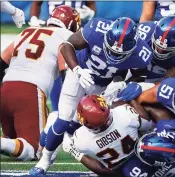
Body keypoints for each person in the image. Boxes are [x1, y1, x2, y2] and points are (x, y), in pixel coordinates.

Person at [30, 17, 153, 175]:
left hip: (103, 85)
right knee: (63, 121)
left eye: (119, 53)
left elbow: (138, 76)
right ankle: (45, 161)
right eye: (111, 49)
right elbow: (66, 45)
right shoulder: (96, 28)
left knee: (85, 122)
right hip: (80, 75)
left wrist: (122, 83)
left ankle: (53, 125)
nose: (113, 55)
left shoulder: (141, 53)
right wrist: (76, 69)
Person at [0, 5, 80, 161]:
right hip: (30, 90)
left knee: (13, 140)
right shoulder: (66, 35)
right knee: (34, 150)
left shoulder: (27, 31)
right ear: (71, 24)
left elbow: (2, 61)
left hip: (5, 88)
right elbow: (65, 70)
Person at [62, 95, 175, 177]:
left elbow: (102, 170)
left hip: (127, 167)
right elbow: (147, 124)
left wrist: (75, 152)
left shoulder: (81, 140)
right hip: (155, 147)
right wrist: (128, 98)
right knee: (146, 107)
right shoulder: (124, 115)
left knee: (124, 171)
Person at [29, 1, 96, 113]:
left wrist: (91, 13)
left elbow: (91, 3)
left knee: (79, 69)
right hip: (54, 32)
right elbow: (37, 3)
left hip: (77, 34)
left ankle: (81, 109)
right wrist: (34, 18)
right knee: (57, 69)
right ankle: (59, 110)